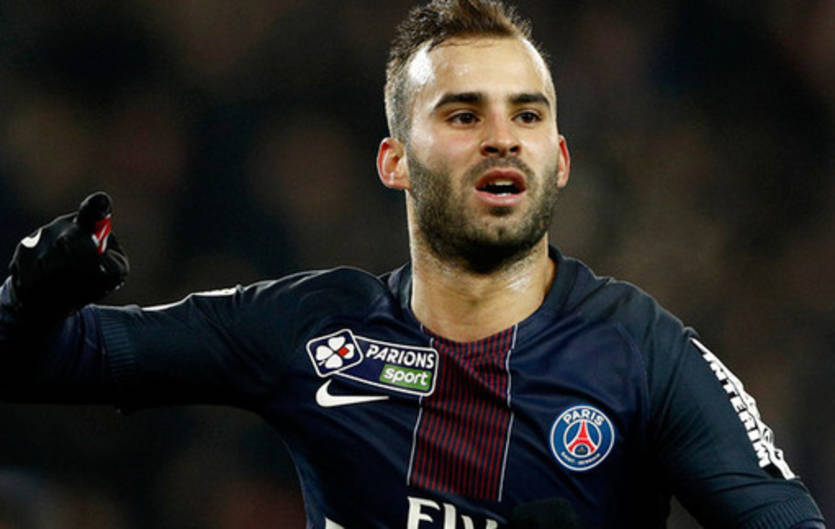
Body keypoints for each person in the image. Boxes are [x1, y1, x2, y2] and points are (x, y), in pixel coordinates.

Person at [0, 0, 826, 527]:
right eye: (463, 114)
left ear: (559, 158)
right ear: (394, 161)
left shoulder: (642, 351)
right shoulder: (310, 326)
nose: (502, 137)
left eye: (526, 115)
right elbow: (48, 361)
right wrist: (30, 299)